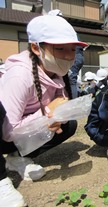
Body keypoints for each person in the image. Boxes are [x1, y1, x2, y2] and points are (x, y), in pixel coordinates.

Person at [0, 15, 88, 181]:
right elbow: (6, 132)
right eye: (60, 49)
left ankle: (15, 157)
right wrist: (48, 112)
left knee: (68, 126)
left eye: (72, 49)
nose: (69, 56)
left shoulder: (57, 72)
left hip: (26, 128)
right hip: (6, 136)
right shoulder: (20, 76)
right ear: (36, 48)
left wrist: (56, 118)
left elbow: (59, 105)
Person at [0, 102, 27, 207]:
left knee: (68, 126)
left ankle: (13, 158)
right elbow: (8, 134)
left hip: (7, 137)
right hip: (8, 134)